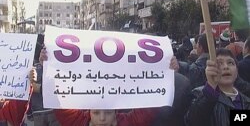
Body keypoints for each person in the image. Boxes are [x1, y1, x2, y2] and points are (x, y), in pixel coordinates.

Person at [38, 43, 179, 126]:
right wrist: (48, 65)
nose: (102, 119)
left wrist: (167, 73)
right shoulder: (79, 122)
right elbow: (58, 98)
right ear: (88, 112)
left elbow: (151, 104)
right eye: (96, 112)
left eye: (109, 112)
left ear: (117, 113)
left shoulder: (126, 123)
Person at [185, 48, 250, 126]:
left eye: (230, 63)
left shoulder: (246, 101)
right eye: (219, 63)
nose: (226, 67)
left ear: (237, 71)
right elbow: (192, 121)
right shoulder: (199, 95)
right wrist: (211, 86)